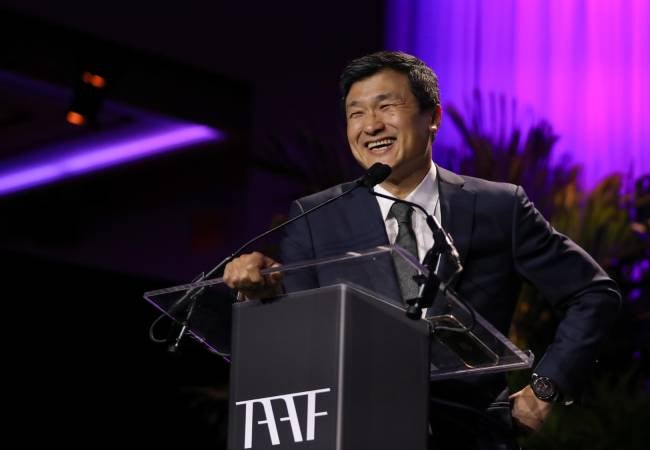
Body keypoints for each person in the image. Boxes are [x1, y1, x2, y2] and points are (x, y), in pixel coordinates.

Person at [223, 51, 621, 450]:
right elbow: (302, 338)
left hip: (475, 435)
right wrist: (264, 295)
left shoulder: (499, 207)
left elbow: (593, 294)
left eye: (387, 106)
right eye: (356, 113)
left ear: (433, 117)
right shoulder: (315, 217)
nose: (372, 125)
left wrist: (546, 390)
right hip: (356, 433)